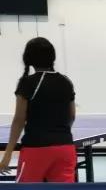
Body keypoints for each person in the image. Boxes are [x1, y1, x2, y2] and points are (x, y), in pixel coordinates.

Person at [0, 37, 76, 182]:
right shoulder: (66, 81)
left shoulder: (27, 83)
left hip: (36, 149)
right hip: (65, 148)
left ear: (28, 59)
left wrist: (7, 154)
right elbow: (71, 116)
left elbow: (19, 120)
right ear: (52, 57)